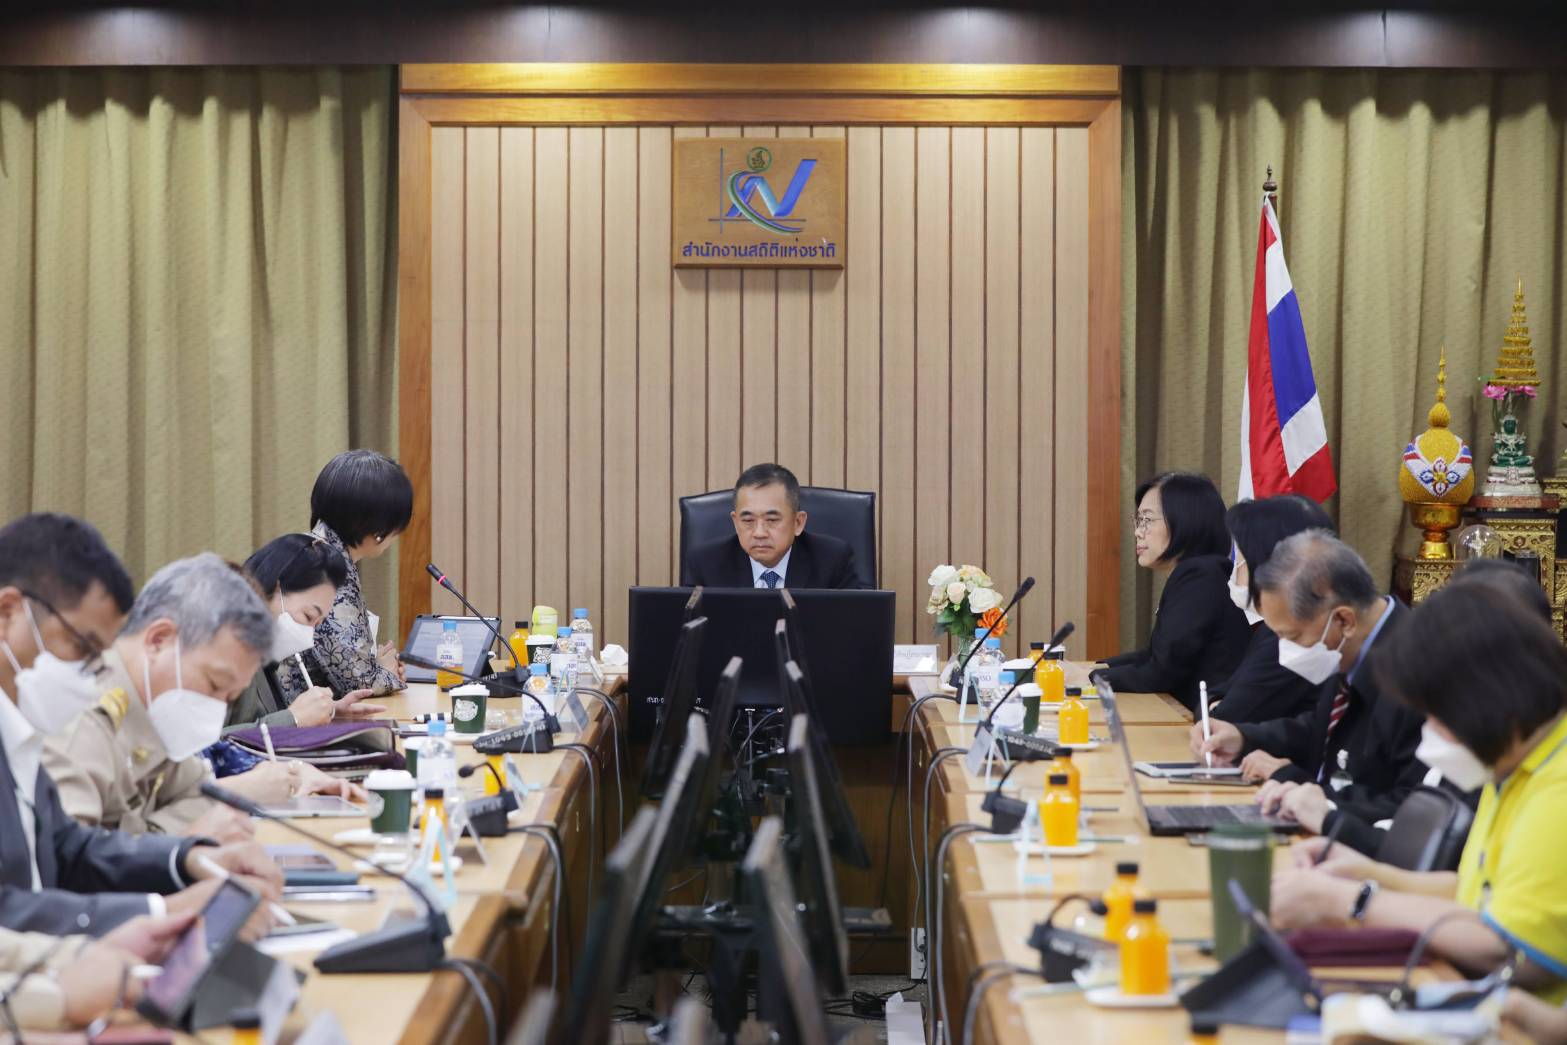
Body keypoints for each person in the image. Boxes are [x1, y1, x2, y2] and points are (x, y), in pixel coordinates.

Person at [1270, 581, 1567, 1003]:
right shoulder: (1513, 765)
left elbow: (1502, 946)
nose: (1429, 732)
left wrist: (1348, 901)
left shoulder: (1556, 787)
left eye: (1436, 715)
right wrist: (1368, 874)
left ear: (1485, 700)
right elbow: (1478, 892)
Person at [0, 514, 281, 936]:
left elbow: (68, 849)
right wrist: (163, 910)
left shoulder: (19, 728)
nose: (91, 673)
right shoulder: (68, 718)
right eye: (81, 645)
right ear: (8, 614)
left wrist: (185, 857)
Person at [44, 553, 361, 838]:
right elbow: (79, 864)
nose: (216, 707)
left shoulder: (154, 705)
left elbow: (193, 789)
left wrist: (289, 775)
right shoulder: (83, 716)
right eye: (214, 683)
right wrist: (222, 806)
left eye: (230, 696)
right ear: (159, 640)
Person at [1195, 531, 1425, 856]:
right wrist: (1244, 737)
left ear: (1343, 619)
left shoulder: (1420, 672)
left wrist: (1299, 785)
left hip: (1359, 853)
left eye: (1292, 637)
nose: (1285, 652)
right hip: (1316, 831)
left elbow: (1409, 805)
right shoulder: (1351, 645)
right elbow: (1321, 728)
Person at [1096, 472, 1251, 713]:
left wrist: (1091, 678)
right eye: (1138, 520)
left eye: (1147, 520)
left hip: (1207, 724)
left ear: (1186, 521)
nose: (1138, 532)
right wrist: (1099, 667)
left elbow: (1161, 671)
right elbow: (1154, 655)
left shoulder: (1200, 578)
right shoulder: (1199, 572)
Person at [277, 449, 412, 699]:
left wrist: (378, 669)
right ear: (380, 528)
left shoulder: (311, 549)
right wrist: (386, 673)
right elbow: (358, 682)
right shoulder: (325, 567)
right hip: (291, 715)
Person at [226, 533, 386, 732]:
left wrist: (330, 712)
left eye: (318, 624)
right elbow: (201, 745)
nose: (309, 635)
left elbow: (260, 720)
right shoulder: (225, 643)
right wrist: (293, 718)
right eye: (309, 616)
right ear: (276, 587)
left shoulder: (261, 653)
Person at [1205, 495, 1335, 724]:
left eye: (1240, 558)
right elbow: (1220, 692)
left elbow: (1223, 718)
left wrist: (1215, 706)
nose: (1234, 568)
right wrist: (1215, 703)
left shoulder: (1295, 633)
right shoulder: (1272, 627)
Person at [683, 463, 867, 590]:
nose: (759, 533)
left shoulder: (833, 561)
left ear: (798, 522)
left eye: (771, 520)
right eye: (748, 520)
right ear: (735, 522)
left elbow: (853, 626)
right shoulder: (706, 565)